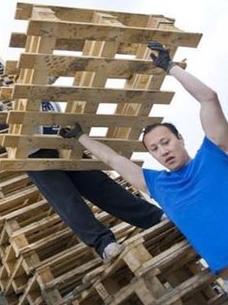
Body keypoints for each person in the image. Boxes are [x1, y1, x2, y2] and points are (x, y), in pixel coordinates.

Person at [72, 40, 228, 305]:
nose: (162, 151)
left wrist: (170, 67)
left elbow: (209, 98)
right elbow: (112, 158)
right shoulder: (158, 185)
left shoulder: (216, 155)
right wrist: (80, 137)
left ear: (179, 138)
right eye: (154, 149)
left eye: (166, 142)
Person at [26, 97, 163, 261]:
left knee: (101, 185)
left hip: (65, 146)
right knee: (67, 200)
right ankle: (104, 243)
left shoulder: (49, 98)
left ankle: (153, 217)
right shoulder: (18, 95)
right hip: (35, 154)